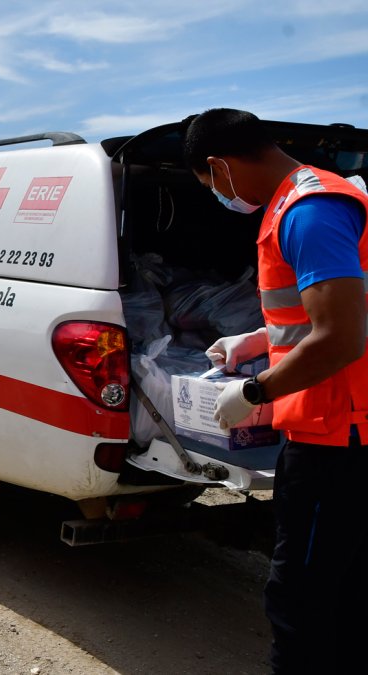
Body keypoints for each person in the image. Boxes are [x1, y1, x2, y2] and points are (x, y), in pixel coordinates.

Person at [183, 108, 368, 673]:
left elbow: (340, 337)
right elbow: (336, 307)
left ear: (220, 165)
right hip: (339, 427)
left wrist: (255, 391)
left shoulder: (307, 212)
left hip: (337, 439)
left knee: (303, 604)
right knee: (343, 598)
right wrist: (257, 340)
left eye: (212, 185)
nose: (222, 197)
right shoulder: (318, 198)